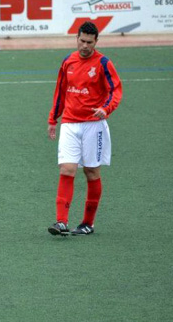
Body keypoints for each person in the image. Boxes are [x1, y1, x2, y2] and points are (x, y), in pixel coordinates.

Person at [47, 21, 122, 236]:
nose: (85, 46)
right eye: (82, 41)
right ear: (76, 39)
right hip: (69, 123)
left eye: (89, 42)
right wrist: (53, 119)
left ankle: (88, 223)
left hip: (93, 126)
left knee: (91, 172)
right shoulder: (68, 61)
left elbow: (115, 91)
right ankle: (61, 222)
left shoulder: (104, 63)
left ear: (96, 42)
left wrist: (106, 109)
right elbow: (60, 92)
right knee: (66, 170)